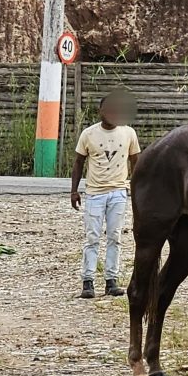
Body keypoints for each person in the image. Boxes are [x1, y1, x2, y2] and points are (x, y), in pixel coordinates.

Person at [71, 91, 141, 299]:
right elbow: (78, 162)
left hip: (118, 192)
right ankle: (88, 281)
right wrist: (74, 190)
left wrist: (134, 188)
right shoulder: (88, 134)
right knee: (92, 237)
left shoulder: (128, 133)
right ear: (100, 111)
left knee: (115, 237)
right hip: (95, 194)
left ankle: (112, 280)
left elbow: (136, 161)